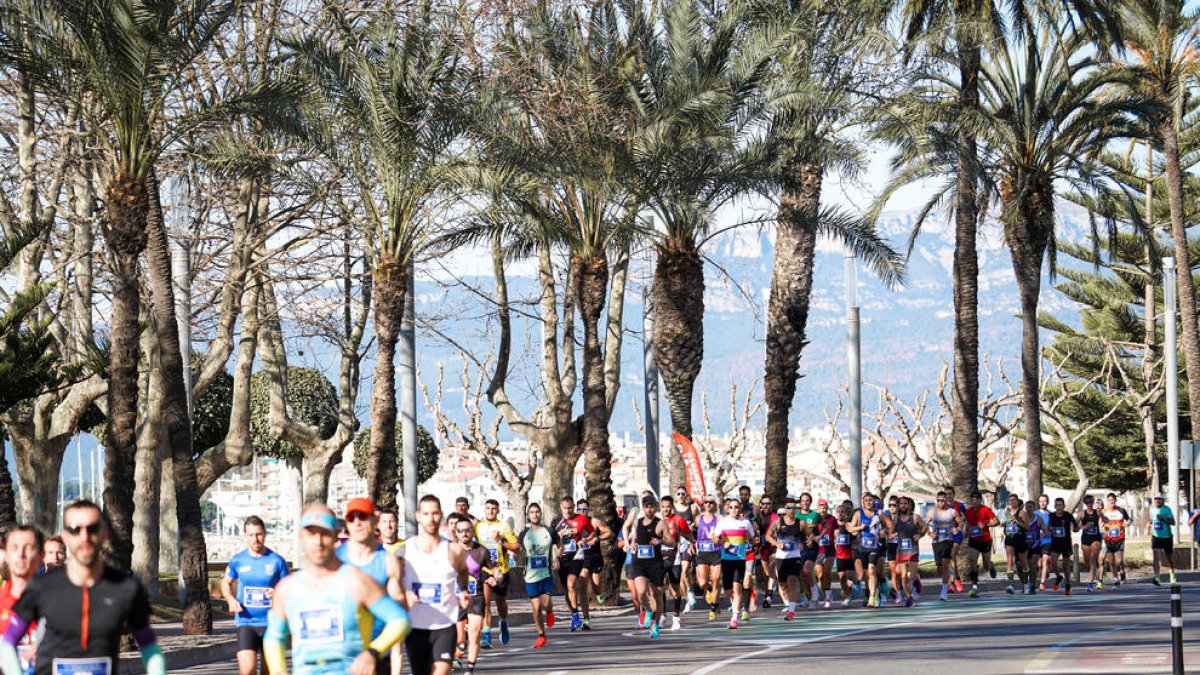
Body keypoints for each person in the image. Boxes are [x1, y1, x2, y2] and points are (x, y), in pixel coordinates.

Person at [1, 500, 166, 675]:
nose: (84, 537)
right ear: (65, 536)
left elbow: (150, 648)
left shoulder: (126, 588)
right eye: (75, 529)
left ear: (104, 533)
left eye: (92, 529)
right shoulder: (41, 586)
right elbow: (7, 643)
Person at [394, 495, 472, 675]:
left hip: (445, 625)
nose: (431, 518)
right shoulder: (405, 551)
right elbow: (393, 580)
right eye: (426, 514)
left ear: (441, 515)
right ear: (418, 516)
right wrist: (403, 594)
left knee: (441, 671)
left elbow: (463, 571)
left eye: (435, 513)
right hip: (415, 627)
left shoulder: (453, 550)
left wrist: (463, 590)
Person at [338, 498, 404, 675]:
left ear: (374, 521)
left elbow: (398, 614)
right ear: (347, 523)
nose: (357, 522)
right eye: (352, 518)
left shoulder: (388, 562)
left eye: (363, 517)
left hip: (378, 649)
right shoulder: (335, 560)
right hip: (343, 651)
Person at [221, 515, 290, 675]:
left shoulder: (277, 561)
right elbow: (225, 582)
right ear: (245, 535)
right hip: (246, 622)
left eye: (259, 534)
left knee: (268, 671)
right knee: (248, 670)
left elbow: (288, 589)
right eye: (251, 535)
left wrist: (277, 593)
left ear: (265, 534)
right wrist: (230, 599)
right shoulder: (238, 560)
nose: (255, 539)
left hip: (271, 624)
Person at [448, 513, 493, 675]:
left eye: (467, 530)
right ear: (456, 532)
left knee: (474, 632)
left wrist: (495, 577)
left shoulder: (481, 551)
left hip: (476, 597)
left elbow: (494, 569)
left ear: (472, 531)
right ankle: (459, 649)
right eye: (460, 531)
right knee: (460, 638)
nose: (464, 533)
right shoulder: (449, 550)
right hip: (456, 598)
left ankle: (470, 670)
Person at [473, 500, 519, 648]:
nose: (490, 511)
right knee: (485, 602)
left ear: (498, 510)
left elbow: (517, 548)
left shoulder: (503, 526)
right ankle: (486, 634)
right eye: (488, 508)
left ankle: (503, 621)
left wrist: (500, 541)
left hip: (501, 570)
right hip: (485, 570)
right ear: (484, 510)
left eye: (493, 509)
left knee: (500, 603)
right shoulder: (478, 527)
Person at [0, 525, 44, 674]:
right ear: (6, 555)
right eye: (14, 548)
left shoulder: (57, 601)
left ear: (41, 555)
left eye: (28, 547)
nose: (21, 554)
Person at [630, 497, 676, 638]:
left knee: (657, 595)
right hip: (640, 563)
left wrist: (660, 541)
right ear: (643, 508)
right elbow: (635, 537)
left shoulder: (660, 523)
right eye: (647, 507)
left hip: (655, 564)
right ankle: (648, 610)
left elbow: (672, 542)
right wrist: (633, 544)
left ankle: (655, 623)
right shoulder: (637, 522)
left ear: (656, 508)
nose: (649, 509)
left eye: (652, 507)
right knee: (641, 593)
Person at [517, 503, 559, 648]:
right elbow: (518, 551)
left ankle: (550, 611)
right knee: (536, 607)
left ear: (541, 514)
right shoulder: (524, 534)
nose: (535, 514)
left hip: (546, 574)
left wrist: (557, 558)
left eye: (537, 512)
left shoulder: (549, 531)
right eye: (532, 512)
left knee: (545, 604)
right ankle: (541, 635)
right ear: (528, 516)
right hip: (530, 576)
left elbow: (559, 546)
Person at [714, 498, 753, 629]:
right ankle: (735, 605)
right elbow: (714, 538)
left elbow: (753, 539)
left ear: (740, 508)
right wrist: (722, 543)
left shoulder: (745, 523)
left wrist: (750, 539)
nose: (734, 509)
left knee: (737, 589)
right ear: (728, 509)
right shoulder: (723, 522)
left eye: (736, 507)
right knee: (728, 591)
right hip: (726, 560)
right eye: (731, 507)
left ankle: (734, 618)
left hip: (740, 560)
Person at [766, 498, 805, 619]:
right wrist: (777, 544)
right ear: (785, 509)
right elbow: (768, 536)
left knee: (792, 581)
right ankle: (789, 602)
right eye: (789, 508)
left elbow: (810, 535)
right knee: (783, 584)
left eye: (794, 508)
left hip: (795, 556)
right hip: (781, 557)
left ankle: (791, 611)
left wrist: (806, 542)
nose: (791, 510)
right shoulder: (778, 522)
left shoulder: (801, 523)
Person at [883, 497, 926, 606]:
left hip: (913, 551)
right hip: (901, 552)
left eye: (905, 503)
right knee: (903, 576)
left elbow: (925, 527)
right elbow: (889, 532)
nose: (903, 506)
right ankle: (909, 597)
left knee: (910, 576)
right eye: (901, 504)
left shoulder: (915, 518)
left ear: (908, 505)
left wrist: (920, 535)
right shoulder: (895, 520)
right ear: (898, 506)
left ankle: (916, 581)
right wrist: (890, 534)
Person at [658, 496, 693, 631]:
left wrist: (693, 542)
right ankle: (662, 615)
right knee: (659, 587)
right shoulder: (657, 520)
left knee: (675, 590)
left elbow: (687, 534)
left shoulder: (678, 520)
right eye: (663, 507)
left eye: (668, 506)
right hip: (659, 558)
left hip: (674, 558)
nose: (665, 509)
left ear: (672, 507)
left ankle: (676, 617)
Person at [925, 491, 962, 602]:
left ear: (946, 500)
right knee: (939, 567)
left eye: (943, 500)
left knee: (945, 564)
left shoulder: (952, 512)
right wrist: (930, 533)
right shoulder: (932, 512)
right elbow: (925, 525)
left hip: (948, 541)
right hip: (936, 542)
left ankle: (944, 590)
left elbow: (961, 523)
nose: (941, 502)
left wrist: (957, 529)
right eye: (938, 500)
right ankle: (946, 579)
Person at [848, 492, 883, 607]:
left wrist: (885, 532)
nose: (868, 502)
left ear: (874, 501)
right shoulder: (858, 514)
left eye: (870, 500)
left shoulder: (879, 514)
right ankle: (874, 592)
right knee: (867, 575)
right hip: (862, 547)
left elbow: (890, 525)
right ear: (863, 502)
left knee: (872, 570)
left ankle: (872, 598)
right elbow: (850, 528)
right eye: (866, 500)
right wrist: (859, 528)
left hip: (875, 547)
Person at [964, 491, 999, 597]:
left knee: (986, 566)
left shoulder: (986, 510)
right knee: (972, 561)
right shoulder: (968, 512)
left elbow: (997, 521)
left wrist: (985, 525)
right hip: (973, 540)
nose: (974, 501)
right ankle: (974, 587)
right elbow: (968, 524)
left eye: (976, 500)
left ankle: (990, 565)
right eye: (972, 500)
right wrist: (967, 532)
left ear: (980, 500)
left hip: (985, 540)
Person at [693, 495, 722, 620]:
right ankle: (709, 590)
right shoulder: (698, 518)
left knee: (715, 580)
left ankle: (713, 608)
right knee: (702, 583)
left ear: (715, 505)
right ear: (703, 504)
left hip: (716, 552)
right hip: (703, 553)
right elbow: (691, 532)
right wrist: (691, 543)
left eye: (711, 502)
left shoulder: (719, 518)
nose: (708, 504)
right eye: (706, 502)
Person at [793, 493, 824, 609]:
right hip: (800, 547)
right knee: (801, 574)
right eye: (803, 501)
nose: (805, 503)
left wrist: (819, 536)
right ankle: (807, 596)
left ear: (810, 502)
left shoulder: (815, 515)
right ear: (800, 502)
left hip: (812, 547)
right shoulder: (796, 515)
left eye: (807, 501)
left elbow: (826, 526)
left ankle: (815, 596)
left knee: (807, 570)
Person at [1047, 498, 1078, 595]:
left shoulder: (1068, 515)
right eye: (1056, 505)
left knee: (1065, 565)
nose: (1058, 507)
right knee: (1053, 561)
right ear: (1054, 506)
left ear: (1064, 506)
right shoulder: (1051, 515)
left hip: (1066, 543)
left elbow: (1076, 527)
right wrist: (1046, 531)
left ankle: (1068, 585)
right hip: (1055, 542)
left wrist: (1076, 528)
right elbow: (1049, 527)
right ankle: (1059, 576)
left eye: (1060, 505)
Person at [1001, 494, 1029, 595]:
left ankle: (1025, 585)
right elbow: (1002, 523)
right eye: (1010, 500)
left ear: (1017, 501)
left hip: (1020, 538)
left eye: (1013, 500)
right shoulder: (1006, 512)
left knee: (1023, 563)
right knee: (1009, 561)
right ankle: (1010, 585)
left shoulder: (1022, 512)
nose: (1011, 502)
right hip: (1009, 538)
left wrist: (1017, 522)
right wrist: (1003, 523)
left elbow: (1027, 527)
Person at [1100, 493, 1129, 587]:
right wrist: (1101, 523)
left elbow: (1129, 519)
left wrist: (1127, 524)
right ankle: (1116, 579)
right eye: (1109, 500)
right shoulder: (1103, 511)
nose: (1111, 501)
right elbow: (1100, 521)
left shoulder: (1121, 510)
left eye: (1112, 499)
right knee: (1111, 561)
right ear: (1107, 501)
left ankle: (1122, 571)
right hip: (1108, 539)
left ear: (1115, 500)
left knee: (1119, 560)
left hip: (1120, 538)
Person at [832, 505, 857, 606]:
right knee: (842, 577)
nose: (840, 513)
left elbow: (854, 534)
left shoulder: (848, 525)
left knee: (850, 576)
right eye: (838, 512)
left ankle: (857, 582)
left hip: (849, 555)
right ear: (836, 513)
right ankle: (847, 596)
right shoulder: (834, 526)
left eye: (842, 511)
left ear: (845, 514)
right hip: (839, 556)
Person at [1077, 495, 1103, 591]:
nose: (1089, 504)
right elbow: (1075, 525)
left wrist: (1105, 520)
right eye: (1087, 502)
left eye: (1091, 502)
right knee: (1087, 562)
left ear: (1093, 502)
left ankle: (1090, 584)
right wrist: (1084, 527)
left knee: (1092, 561)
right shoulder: (1082, 514)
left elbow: (1105, 519)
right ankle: (1094, 569)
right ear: (1085, 503)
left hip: (1096, 538)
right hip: (1085, 539)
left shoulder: (1098, 512)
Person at [943, 486, 967, 592]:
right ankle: (957, 579)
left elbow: (965, 519)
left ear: (954, 494)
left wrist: (960, 529)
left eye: (950, 494)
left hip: (957, 534)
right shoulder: (942, 506)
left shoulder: (960, 505)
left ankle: (952, 584)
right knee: (951, 558)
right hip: (946, 534)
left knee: (952, 555)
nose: (948, 496)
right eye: (946, 494)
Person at [1150, 495, 1177, 586]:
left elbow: (1173, 523)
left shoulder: (1167, 509)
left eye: (1159, 499)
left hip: (1167, 537)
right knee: (1156, 557)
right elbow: (1152, 520)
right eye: (1156, 499)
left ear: (1163, 500)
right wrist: (1149, 525)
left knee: (1169, 558)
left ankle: (1172, 574)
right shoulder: (1152, 509)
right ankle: (1157, 577)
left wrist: (1163, 519)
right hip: (1156, 536)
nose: (1157, 501)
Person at [1023, 500, 1044, 595]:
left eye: (1030, 507)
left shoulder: (1038, 518)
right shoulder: (1022, 519)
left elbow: (1044, 529)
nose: (1028, 509)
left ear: (1034, 508)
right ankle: (1026, 584)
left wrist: (1045, 532)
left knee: (1032, 564)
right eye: (1027, 507)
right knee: (1026, 566)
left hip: (1036, 545)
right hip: (1025, 545)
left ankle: (1032, 585)